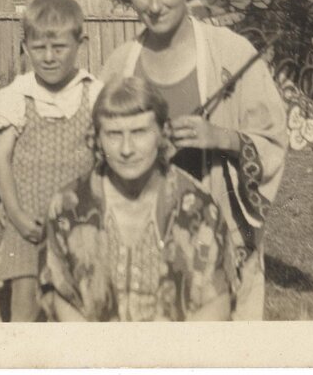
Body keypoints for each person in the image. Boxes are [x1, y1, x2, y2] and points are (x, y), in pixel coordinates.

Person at [100, 0, 288, 320]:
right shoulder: (120, 63)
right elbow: (96, 145)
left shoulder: (234, 55)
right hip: (141, 233)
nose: (154, 5)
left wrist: (221, 137)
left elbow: (273, 140)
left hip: (217, 231)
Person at [40, 76, 237, 321]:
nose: (126, 149)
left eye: (139, 132)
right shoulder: (69, 206)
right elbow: (63, 296)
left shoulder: (199, 208)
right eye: (113, 134)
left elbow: (216, 303)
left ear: (162, 133)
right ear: (97, 138)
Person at [0, 0, 102, 321]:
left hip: (78, 220)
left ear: (80, 44)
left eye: (59, 48)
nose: (49, 57)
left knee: (77, 301)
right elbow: (0, 161)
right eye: (39, 49)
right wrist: (15, 214)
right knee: (25, 301)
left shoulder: (93, 93)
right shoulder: (17, 95)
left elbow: (103, 158)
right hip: (29, 220)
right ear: (25, 48)